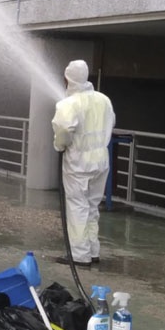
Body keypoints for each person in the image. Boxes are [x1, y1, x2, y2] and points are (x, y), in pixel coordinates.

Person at [52, 59, 115, 268]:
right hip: (101, 162)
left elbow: (63, 130)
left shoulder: (68, 104)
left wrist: (60, 146)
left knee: (78, 207)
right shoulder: (104, 100)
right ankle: (92, 249)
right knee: (92, 207)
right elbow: (111, 122)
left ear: (68, 79)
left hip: (78, 164)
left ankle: (79, 255)